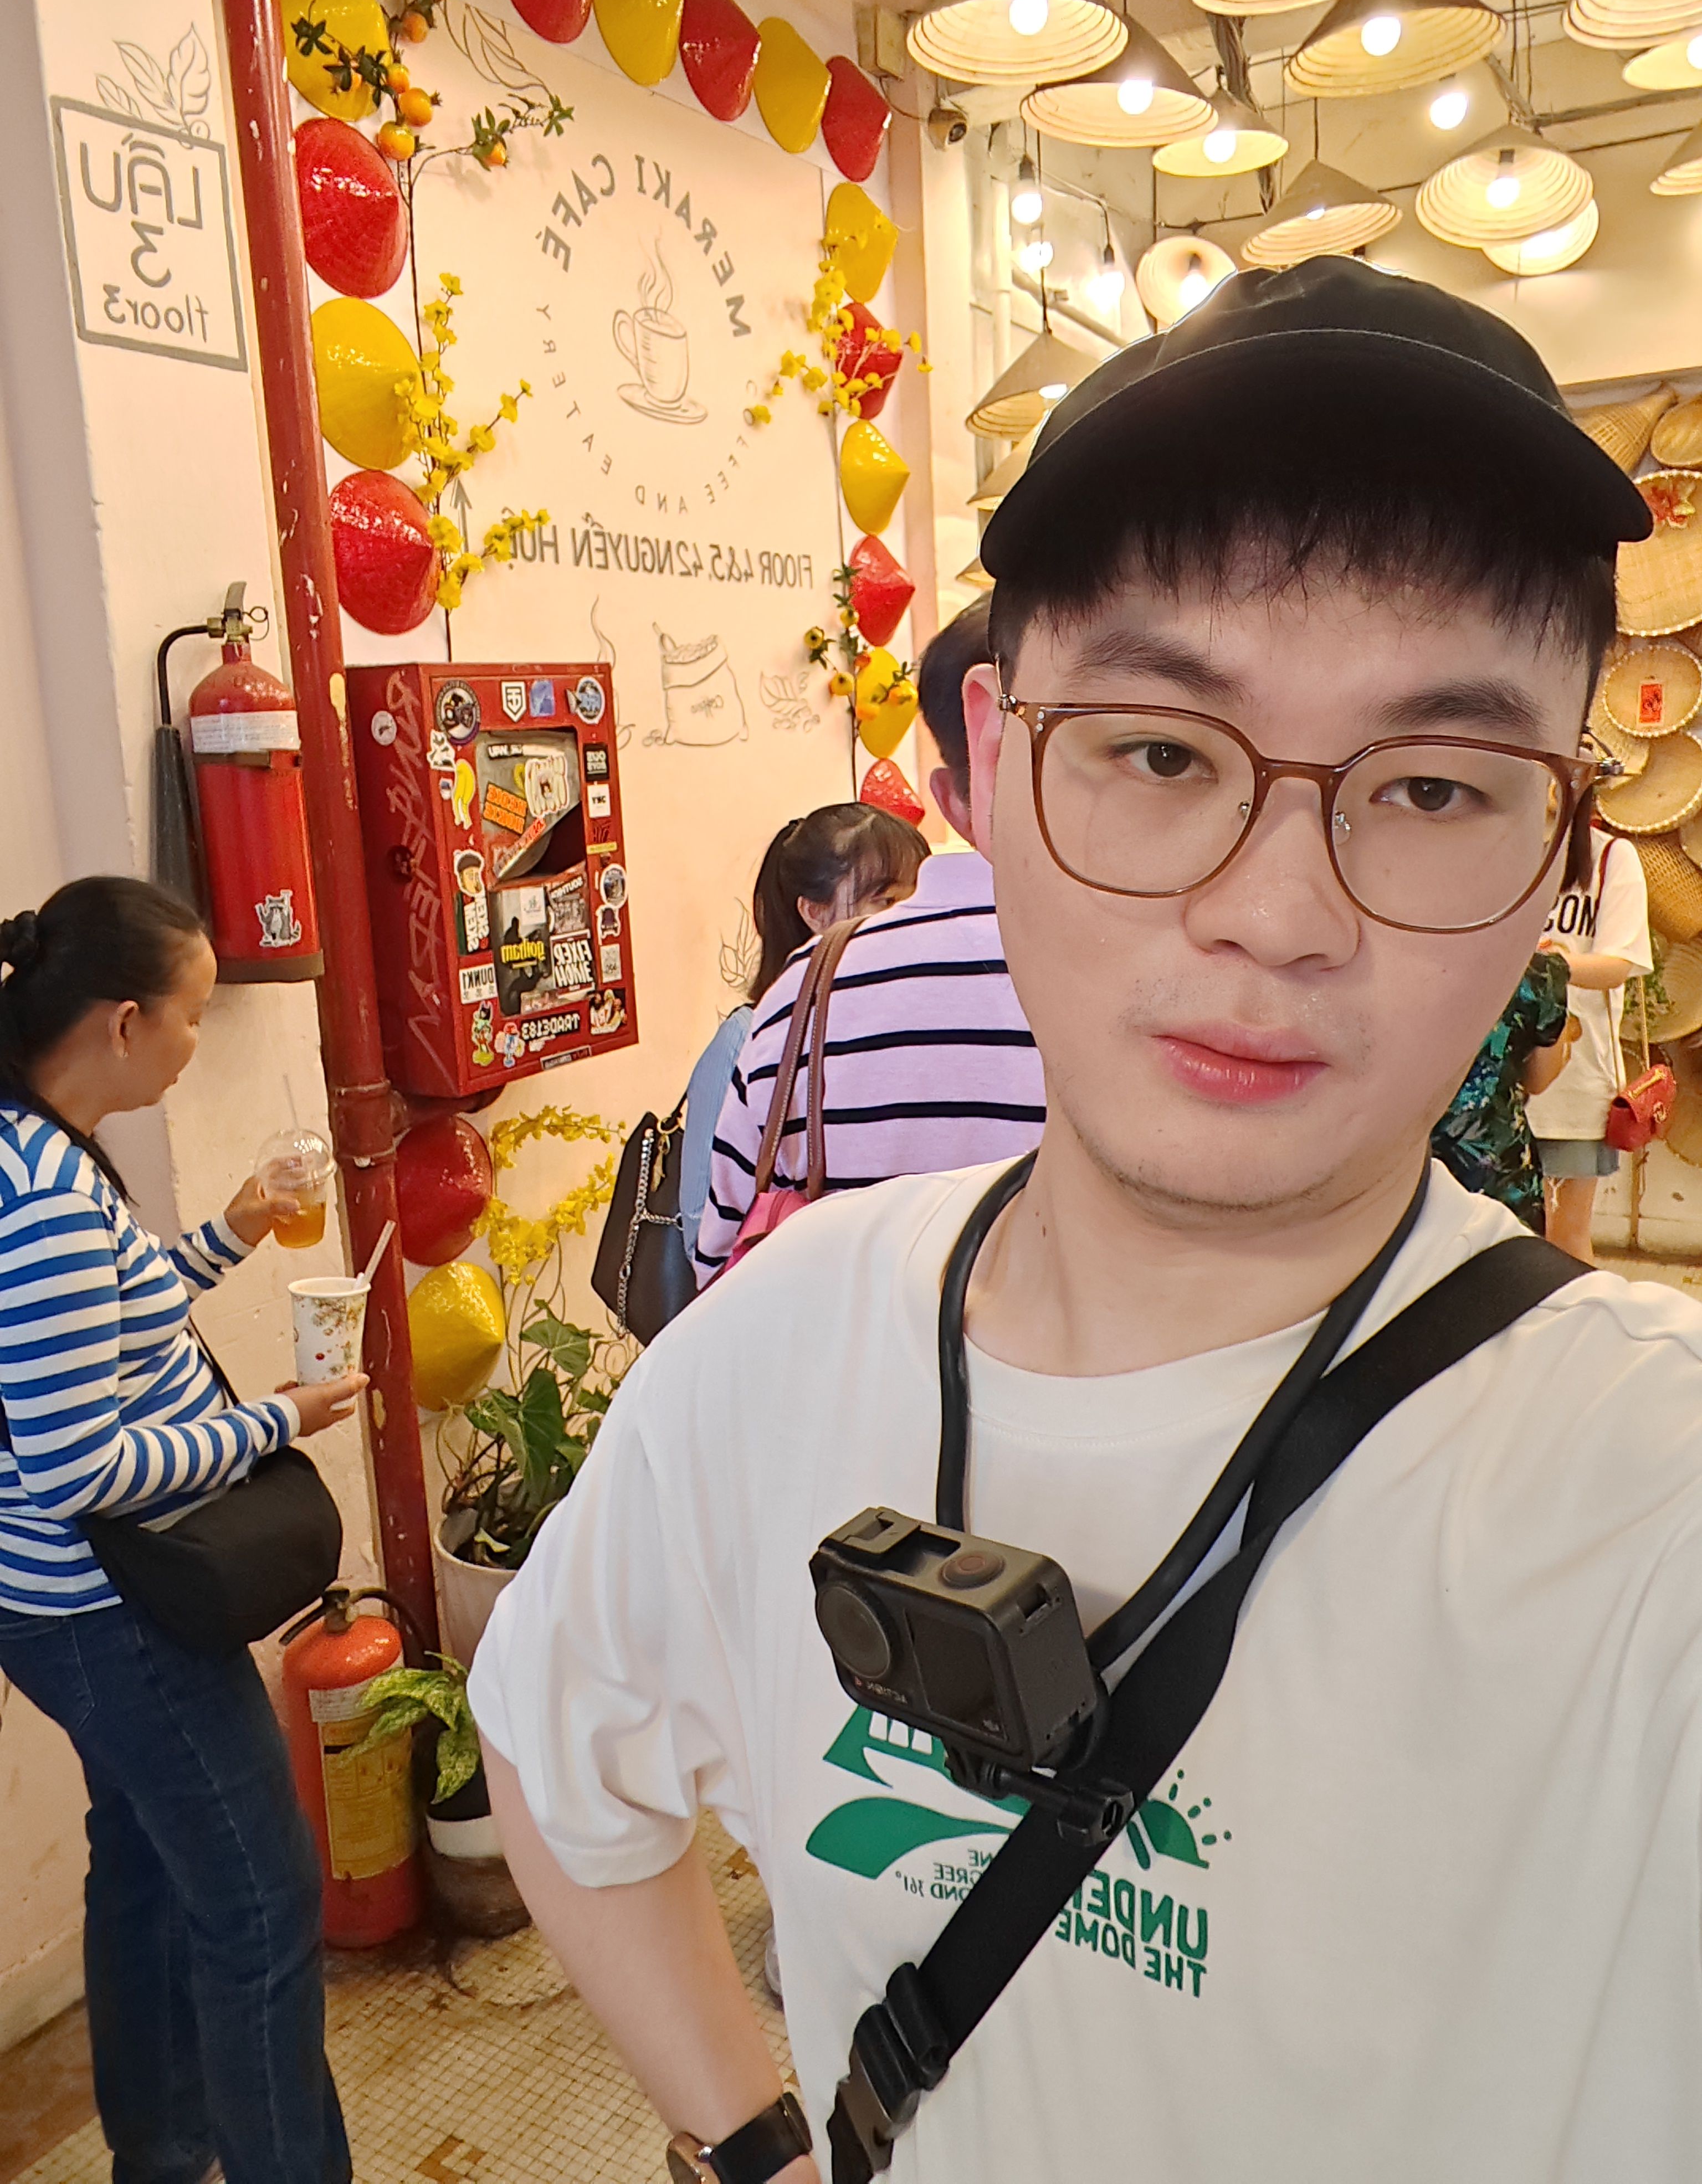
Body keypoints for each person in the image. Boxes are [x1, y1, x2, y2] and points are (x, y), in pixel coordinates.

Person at [469, 261, 1702, 2183]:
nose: (1277, 913)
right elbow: (558, 1754)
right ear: (989, 765)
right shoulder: (780, 1343)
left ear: (1554, 844)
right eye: (1158, 752)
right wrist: (756, 2145)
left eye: (1430, 786)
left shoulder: (1637, 1506)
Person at [0, 878, 366, 2184]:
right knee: (261, 1903)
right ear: (122, 1021)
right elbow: (78, 1465)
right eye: (193, 1015)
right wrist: (274, 1419)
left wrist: (232, 1231)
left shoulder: (33, 1144)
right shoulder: (46, 1193)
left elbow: (110, 1313)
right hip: (111, 1606)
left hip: (61, 1606)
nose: (195, 1044)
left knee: (149, 1863)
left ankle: (162, 2147)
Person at [690, 604, 1047, 1283]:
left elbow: (718, 1262)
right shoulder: (1148, 977)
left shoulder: (803, 993)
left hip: (843, 1349)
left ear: (950, 799)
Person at [678, 805, 929, 1259]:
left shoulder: (915, 1020)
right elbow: (702, 1227)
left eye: (918, 898)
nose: (910, 918)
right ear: (814, 912)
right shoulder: (748, 1038)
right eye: (887, 901)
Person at [1527, 824, 1653, 1262]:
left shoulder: (1611, 857)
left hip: (1573, 1085)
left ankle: (1573, 1311)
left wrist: (1548, 964)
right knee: (1485, 1237)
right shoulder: (1496, 843)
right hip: (1489, 1082)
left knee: (1563, 1238)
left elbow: (1618, 965)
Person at [1431, 947, 1571, 1230]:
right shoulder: (1536, 971)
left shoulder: (1398, 960)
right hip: (1496, 1164)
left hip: (1399, 1163)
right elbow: (1539, 1079)